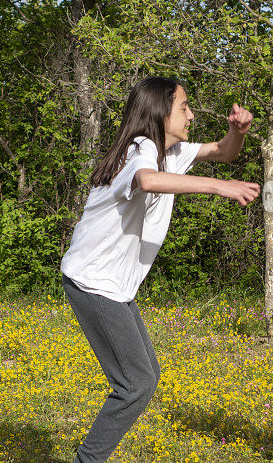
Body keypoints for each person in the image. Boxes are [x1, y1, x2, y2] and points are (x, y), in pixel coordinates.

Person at [60, 76, 260, 463]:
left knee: (145, 375)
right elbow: (148, 181)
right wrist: (219, 188)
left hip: (114, 285)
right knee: (135, 384)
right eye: (184, 107)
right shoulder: (139, 149)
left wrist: (237, 132)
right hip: (93, 282)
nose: (191, 113)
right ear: (159, 111)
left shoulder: (170, 151)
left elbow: (223, 152)